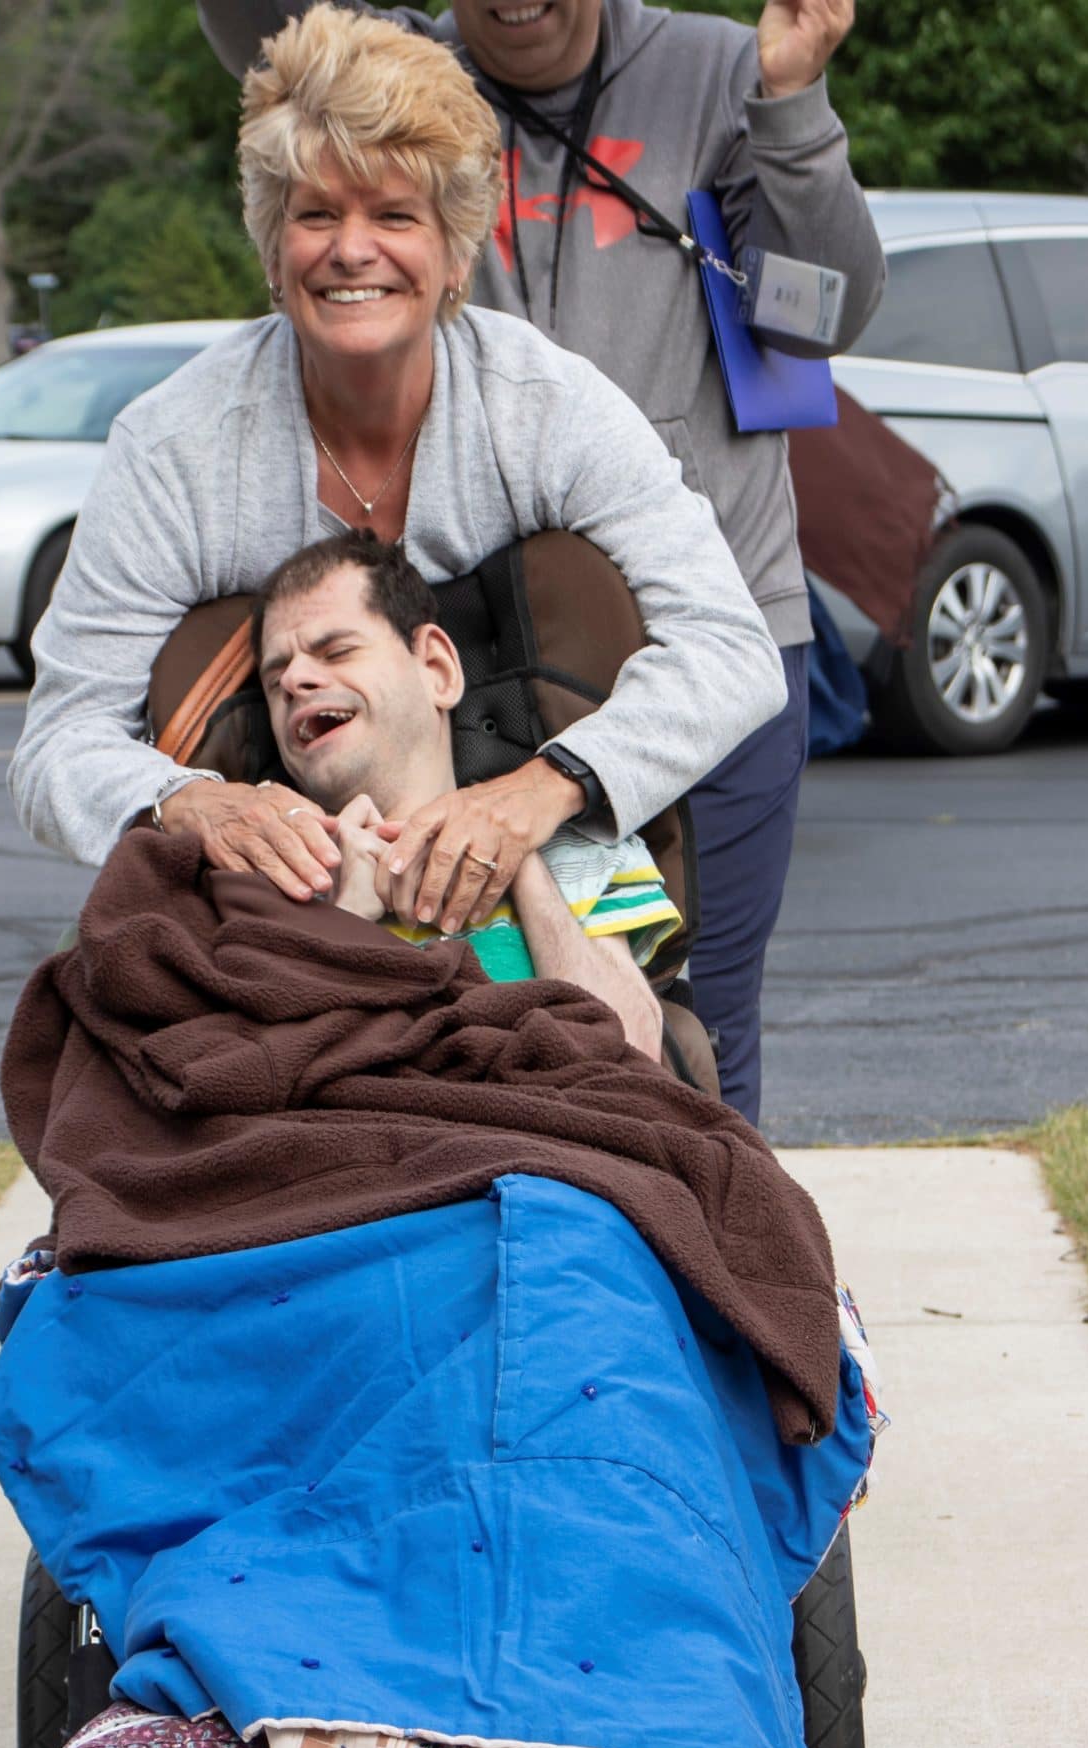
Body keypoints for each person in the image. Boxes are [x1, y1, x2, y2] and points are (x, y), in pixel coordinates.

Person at [11, 6, 786, 1021]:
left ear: (457, 252)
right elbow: (58, 739)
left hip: (534, 872)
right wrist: (191, 802)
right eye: (316, 214)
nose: (352, 250)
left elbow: (733, 649)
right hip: (272, 919)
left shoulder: (546, 404)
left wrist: (539, 792)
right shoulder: (175, 446)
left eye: (393, 216)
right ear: (270, 247)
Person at [198, 0, 886, 1122]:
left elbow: (819, 319)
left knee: (694, 1008)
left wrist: (791, 100)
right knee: (454, 1001)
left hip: (701, 634)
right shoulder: (397, 72)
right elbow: (251, 29)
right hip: (494, 661)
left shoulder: (721, 71)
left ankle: (725, 1256)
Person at [251, 528, 675, 1059]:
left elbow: (635, 1056)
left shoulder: (580, 854)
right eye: (274, 681)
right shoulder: (274, 877)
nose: (295, 681)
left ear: (437, 669)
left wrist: (517, 860)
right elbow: (263, 1079)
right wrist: (346, 917)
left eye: (335, 650)